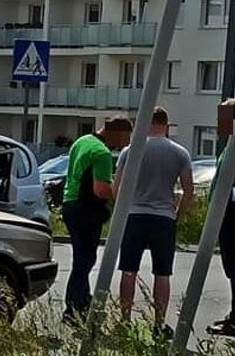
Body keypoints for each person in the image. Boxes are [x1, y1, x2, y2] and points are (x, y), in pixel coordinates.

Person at [114, 107, 193, 338]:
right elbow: (189, 190)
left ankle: (125, 321)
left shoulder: (130, 151)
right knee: (162, 273)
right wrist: (178, 215)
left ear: (146, 124)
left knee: (128, 270)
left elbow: (117, 187)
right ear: (166, 125)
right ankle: (159, 324)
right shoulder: (180, 153)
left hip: (135, 215)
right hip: (164, 217)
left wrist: (123, 211)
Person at [62, 116, 133, 326]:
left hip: (70, 203)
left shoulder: (82, 141)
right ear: (117, 132)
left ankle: (82, 299)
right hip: (86, 209)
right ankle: (74, 306)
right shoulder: (102, 153)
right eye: (126, 136)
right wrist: (120, 195)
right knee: (85, 260)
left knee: (81, 258)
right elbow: (101, 190)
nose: (127, 142)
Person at [209, 98, 235, 338]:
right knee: (231, 268)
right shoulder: (229, 146)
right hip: (225, 215)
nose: (220, 122)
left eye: (224, 117)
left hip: (232, 215)